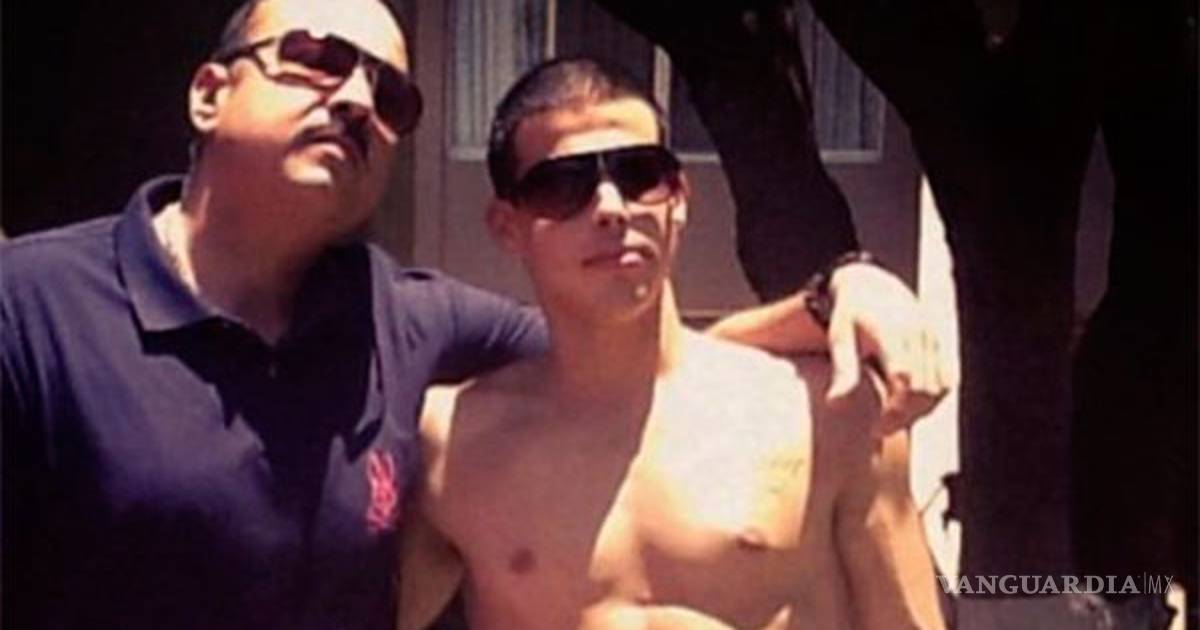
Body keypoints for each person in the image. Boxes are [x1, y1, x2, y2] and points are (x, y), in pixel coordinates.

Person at [0, 1, 951, 629]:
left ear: (679, 196)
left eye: (640, 173)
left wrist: (843, 288)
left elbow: (624, 362)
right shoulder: (27, 310)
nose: (355, 99)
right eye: (317, 60)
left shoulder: (399, 320)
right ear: (210, 92)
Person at [397, 57, 947, 630]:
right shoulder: (449, 444)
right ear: (507, 226)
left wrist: (853, 280)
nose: (612, 208)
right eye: (563, 186)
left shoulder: (826, 409)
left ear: (679, 198)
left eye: (639, 174)